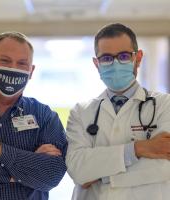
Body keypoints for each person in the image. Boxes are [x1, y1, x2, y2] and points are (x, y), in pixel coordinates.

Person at [66, 23, 170, 200]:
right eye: (106, 58)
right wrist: (139, 149)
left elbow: (163, 167)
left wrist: (100, 175)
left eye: (123, 56)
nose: (115, 63)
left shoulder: (165, 105)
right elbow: (78, 170)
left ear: (138, 58)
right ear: (96, 64)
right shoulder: (81, 112)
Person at [0, 31, 67, 200]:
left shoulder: (44, 116)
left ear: (31, 71)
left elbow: (51, 174)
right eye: (5, 61)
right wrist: (21, 174)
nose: (13, 68)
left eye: (22, 63)